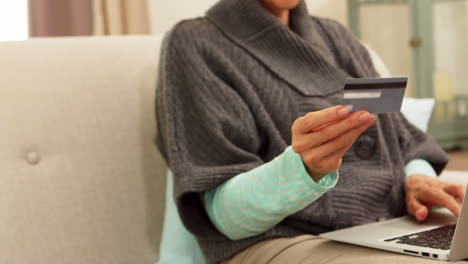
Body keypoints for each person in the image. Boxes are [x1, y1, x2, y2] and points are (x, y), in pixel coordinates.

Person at [155, 0, 466, 263]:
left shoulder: (336, 36)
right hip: (282, 240)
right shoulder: (195, 42)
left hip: (388, 227)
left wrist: (416, 177)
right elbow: (224, 216)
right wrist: (302, 169)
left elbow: (404, 139)